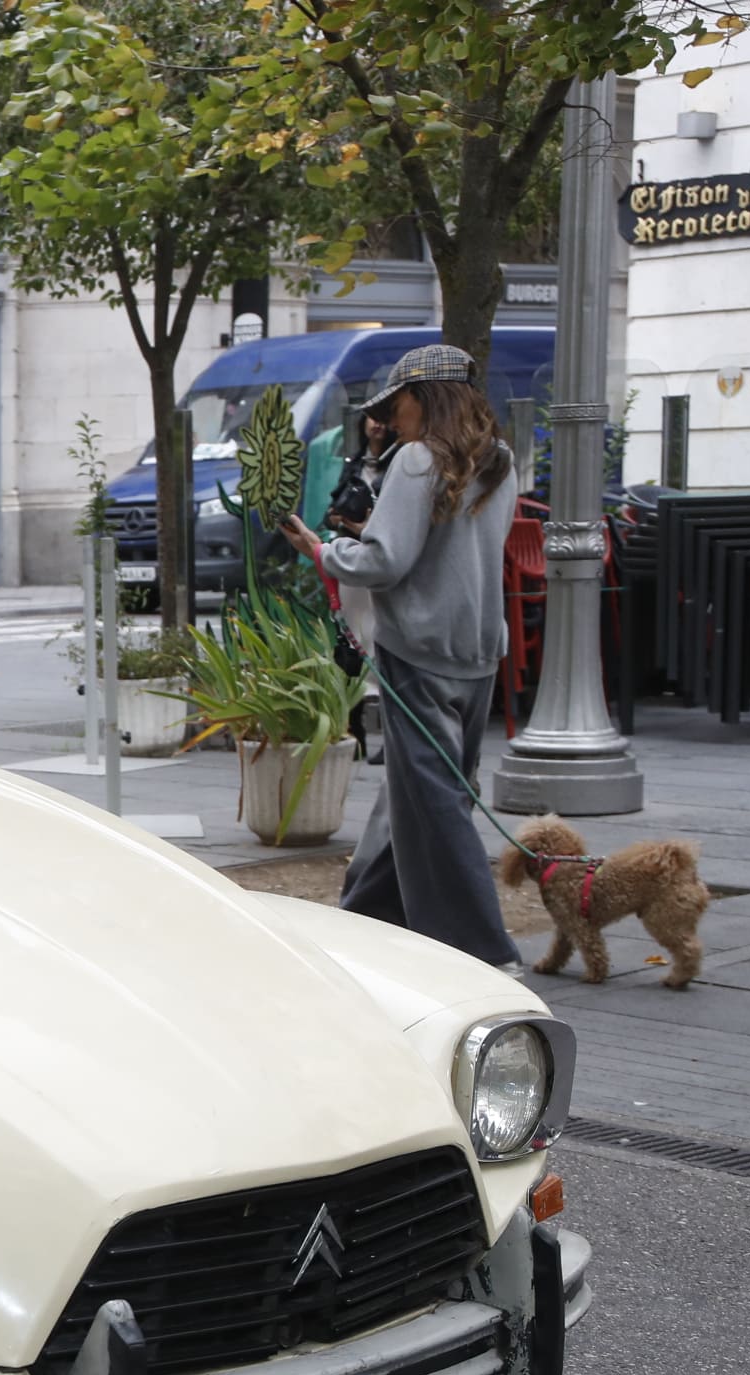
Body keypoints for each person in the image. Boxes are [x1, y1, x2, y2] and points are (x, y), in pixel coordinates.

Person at [282, 344, 521, 970]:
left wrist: (321, 548)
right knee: (419, 792)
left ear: (425, 398)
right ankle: (369, 916)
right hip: (476, 650)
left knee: (433, 800)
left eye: (397, 403)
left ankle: (482, 948)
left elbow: (386, 560)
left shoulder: (416, 462)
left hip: (416, 647)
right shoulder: (498, 461)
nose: (389, 418)